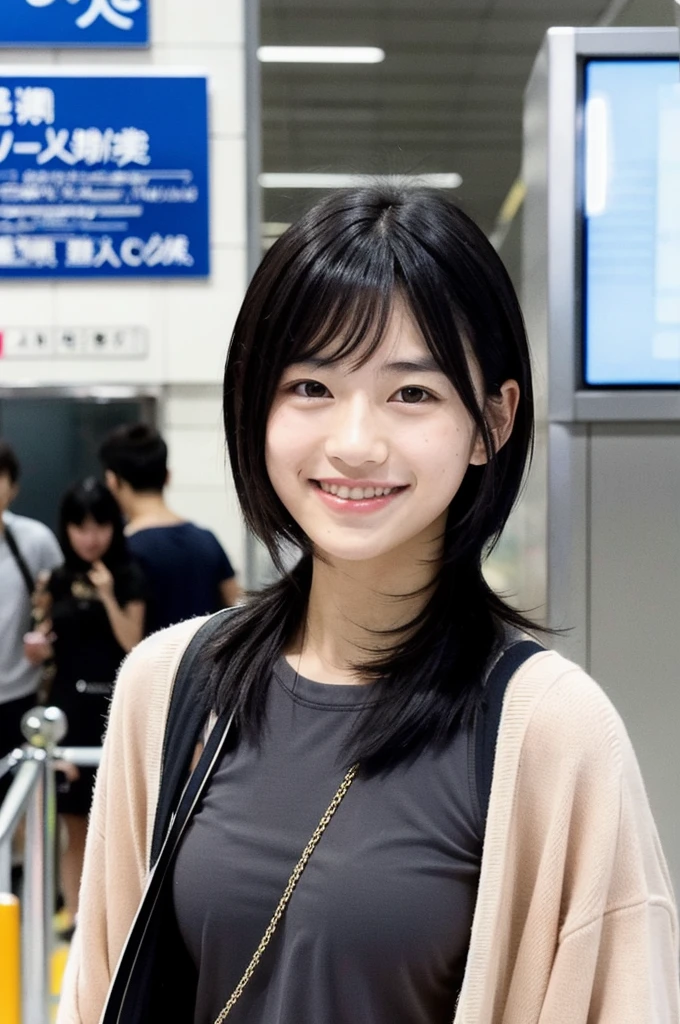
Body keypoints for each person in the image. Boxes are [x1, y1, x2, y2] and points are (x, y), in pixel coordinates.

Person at [58, 186, 679, 1024]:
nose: (353, 443)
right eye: (310, 385)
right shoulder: (169, 686)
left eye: (411, 394)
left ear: (492, 421)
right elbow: (100, 989)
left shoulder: (553, 732)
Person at [25, 478, 146, 925]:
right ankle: (77, 923)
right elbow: (51, 645)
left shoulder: (129, 573)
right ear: (67, 529)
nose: (90, 537)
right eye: (79, 527)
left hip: (114, 707)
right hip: (66, 710)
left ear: (113, 526)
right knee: (72, 823)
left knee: (118, 823)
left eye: (99, 525)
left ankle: (116, 922)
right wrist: (40, 650)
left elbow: (133, 641)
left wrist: (109, 593)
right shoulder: (55, 580)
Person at [99, 423, 241, 633]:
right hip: (207, 663)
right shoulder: (207, 540)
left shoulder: (122, 552)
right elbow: (236, 609)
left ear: (112, 481)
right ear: (168, 476)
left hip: (150, 665)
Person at [0, 439, 62, 801]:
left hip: (21, 693)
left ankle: (22, 861)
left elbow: (60, 608)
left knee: (22, 799)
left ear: (14, 487)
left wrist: (45, 637)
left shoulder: (34, 540)